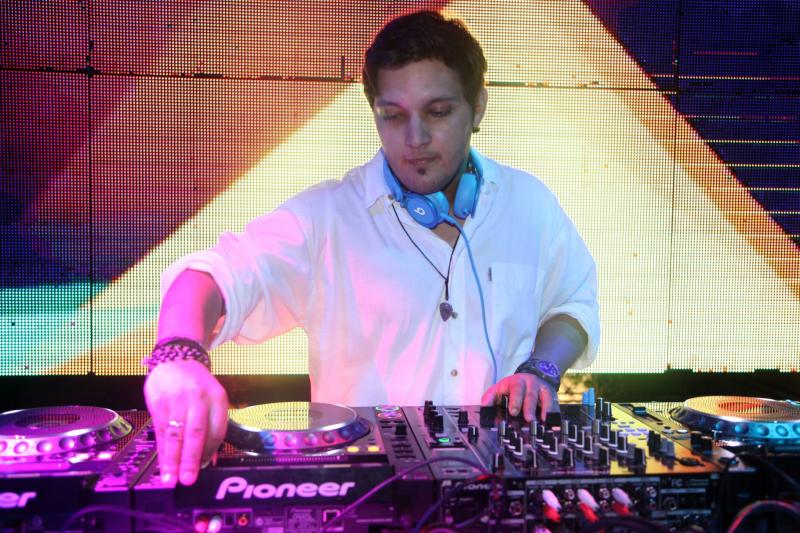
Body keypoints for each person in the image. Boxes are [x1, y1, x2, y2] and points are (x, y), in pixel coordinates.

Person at [143, 10, 599, 487]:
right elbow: (211, 276)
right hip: (363, 493)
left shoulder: (530, 203)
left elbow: (572, 303)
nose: (415, 139)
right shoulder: (327, 216)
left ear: (478, 106)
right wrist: (179, 355)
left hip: (503, 487)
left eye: (438, 112)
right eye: (393, 116)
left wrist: (540, 370)